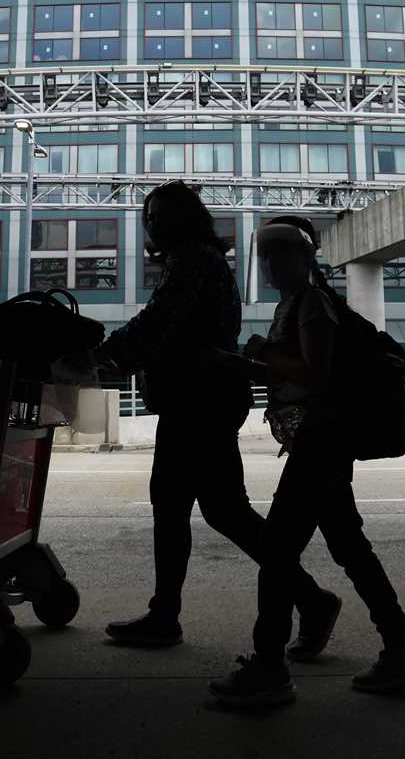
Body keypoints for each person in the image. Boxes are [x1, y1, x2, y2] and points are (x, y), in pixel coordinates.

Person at [91, 182, 341, 652]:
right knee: (192, 509)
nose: (153, 224)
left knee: (211, 510)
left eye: (161, 215)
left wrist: (101, 355)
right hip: (201, 401)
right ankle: (171, 612)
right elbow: (165, 328)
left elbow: (159, 326)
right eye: (150, 216)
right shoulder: (200, 261)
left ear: (183, 221)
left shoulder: (193, 262)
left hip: (198, 404)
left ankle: (307, 599)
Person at [208, 216, 405, 708]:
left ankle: (269, 667)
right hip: (320, 440)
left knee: (276, 549)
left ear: (307, 257)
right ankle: (403, 648)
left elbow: (317, 375)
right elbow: (291, 374)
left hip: (322, 440)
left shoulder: (312, 303)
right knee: (350, 547)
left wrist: (263, 352)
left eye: (284, 251)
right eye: (266, 252)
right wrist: (249, 365)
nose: (273, 261)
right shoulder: (292, 306)